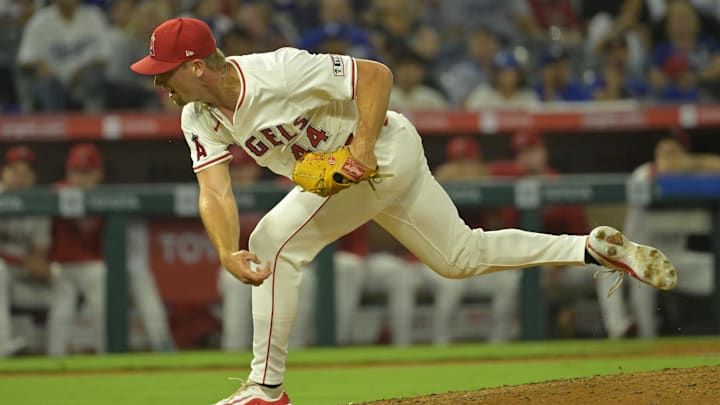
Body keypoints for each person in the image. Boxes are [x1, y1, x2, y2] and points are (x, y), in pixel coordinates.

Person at [130, 17, 678, 404]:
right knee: (460, 256)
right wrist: (225, 249)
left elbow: (376, 75)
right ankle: (592, 249)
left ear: (198, 66)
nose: (157, 81)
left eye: (164, 70)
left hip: (384, 151)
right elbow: (215, 190)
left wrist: (362, 148)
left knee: (274, 241)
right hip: (355, 171)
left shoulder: (277, 71)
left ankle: (265, 389)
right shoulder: (198, 115)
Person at [600, 132, 720, 338]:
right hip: (634, 254)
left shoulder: (695, 177)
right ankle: (629, 333)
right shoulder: (645, 173)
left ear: (686, 156)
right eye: (662, 153)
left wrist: (691, 164)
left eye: (673, 153)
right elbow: (660, 171)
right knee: (614, 269)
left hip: (676, 258)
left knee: (712, 270)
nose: (667, 158)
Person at [0, 145, 53, 357]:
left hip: (22, 282)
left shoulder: (38, 205)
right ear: (2, 173)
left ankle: (56, 356)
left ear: (34, 177)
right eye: (14, 171)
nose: (20, 178)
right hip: (6, 274)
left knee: (63, 291)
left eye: (26, 173)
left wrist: (36, 265)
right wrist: (22, 260)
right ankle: (2, 344)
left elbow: (38, 257)